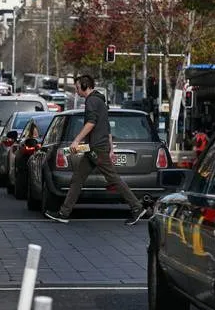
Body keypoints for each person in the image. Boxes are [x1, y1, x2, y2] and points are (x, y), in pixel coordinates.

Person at [44, 75, 146, 226]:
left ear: (85, 86)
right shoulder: (100, 101)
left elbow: (91, 123)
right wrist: (109, 147)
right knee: (78, 179)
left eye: (77, 87)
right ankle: (63, 213)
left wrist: (76, 140)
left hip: (96, 148)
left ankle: (137, 207)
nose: (76, 90)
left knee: (113, 178)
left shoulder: (91, 101)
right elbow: (106, 126)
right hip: (94, 147)